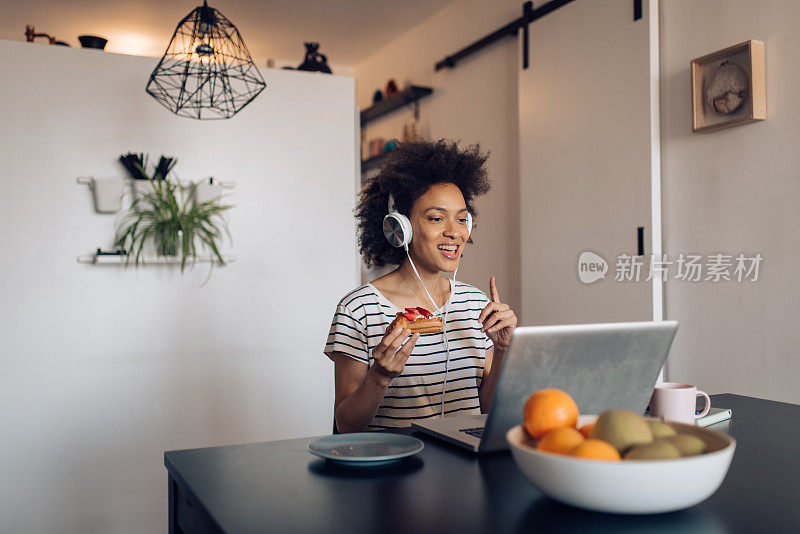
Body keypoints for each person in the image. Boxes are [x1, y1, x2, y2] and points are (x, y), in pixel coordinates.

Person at [324, 139, 518, 433]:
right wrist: (380, 376)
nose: (454, 232)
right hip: (395, 472)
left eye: (462, 219)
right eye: (436, 218)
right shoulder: (358, 309)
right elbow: (347, 426)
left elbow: (487, 411)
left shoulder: (476, 305)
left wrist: (503, 350)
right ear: (401, 228)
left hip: (463, 470)